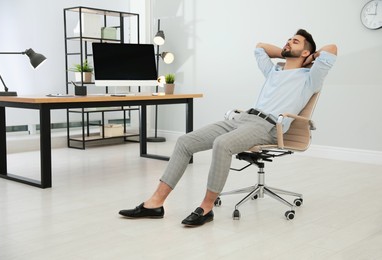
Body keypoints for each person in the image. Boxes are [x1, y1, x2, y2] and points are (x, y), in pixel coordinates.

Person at [119, 29, 338, 226]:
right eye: (288, 39)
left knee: (221, 144)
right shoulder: (275, 72)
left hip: (269, 126)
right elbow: (260, 47)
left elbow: (332, 50)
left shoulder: (310, 78)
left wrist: (312, 57)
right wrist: (286, 52)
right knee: (185, 142)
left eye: (295, 42)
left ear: (305, 53)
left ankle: (206, 208)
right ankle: (155, 204)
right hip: (244, 118)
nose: (289, 42)